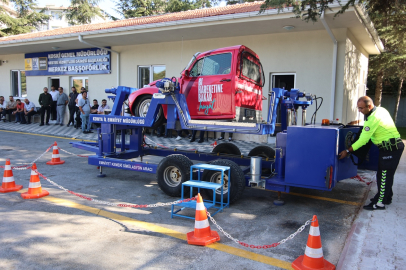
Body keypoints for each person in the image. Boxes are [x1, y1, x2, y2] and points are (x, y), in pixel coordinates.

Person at [339, 96, 404, 211]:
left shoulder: (372, 119)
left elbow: (363, 140)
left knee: (384, 175)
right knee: (385, 174)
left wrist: (348, 151)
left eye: (361, 108)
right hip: (390, 147)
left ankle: (380, 203)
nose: (359, 111)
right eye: (358, 108)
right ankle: (387, 197)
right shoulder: (381, 109)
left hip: (391, 149)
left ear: (369, 106)